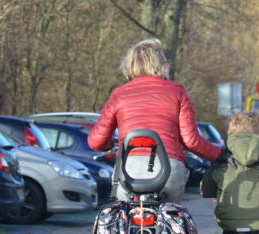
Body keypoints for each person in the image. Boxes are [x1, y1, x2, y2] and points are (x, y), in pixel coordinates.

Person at [88, 38, 228, 202]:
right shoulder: (177, 92)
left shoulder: (119, 94)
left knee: (125, 213)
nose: (168, 65)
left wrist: (109, 143)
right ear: (158, 65)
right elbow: (191, 141)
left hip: (128, 170)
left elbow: (96, 142)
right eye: (166, 61)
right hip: (168, 169)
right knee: (171, 215)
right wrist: (220, 155)